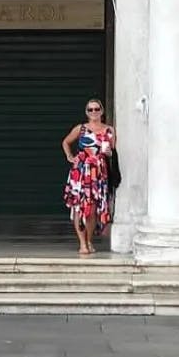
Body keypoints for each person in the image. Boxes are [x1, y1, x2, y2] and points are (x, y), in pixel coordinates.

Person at [62, 98, 115, 256]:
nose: (94, 112)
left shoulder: (109, 130)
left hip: (98, 173)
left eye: (96, 109)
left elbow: (112, 152)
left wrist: (108, 153)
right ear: (86, 112)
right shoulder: (81, 128)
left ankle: (89, 239)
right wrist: (70, 156)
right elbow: (65, 142)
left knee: (92, 209)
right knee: (79, 207)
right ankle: (82, 243)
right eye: (90, 109)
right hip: (81, 172)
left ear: (102, 111)